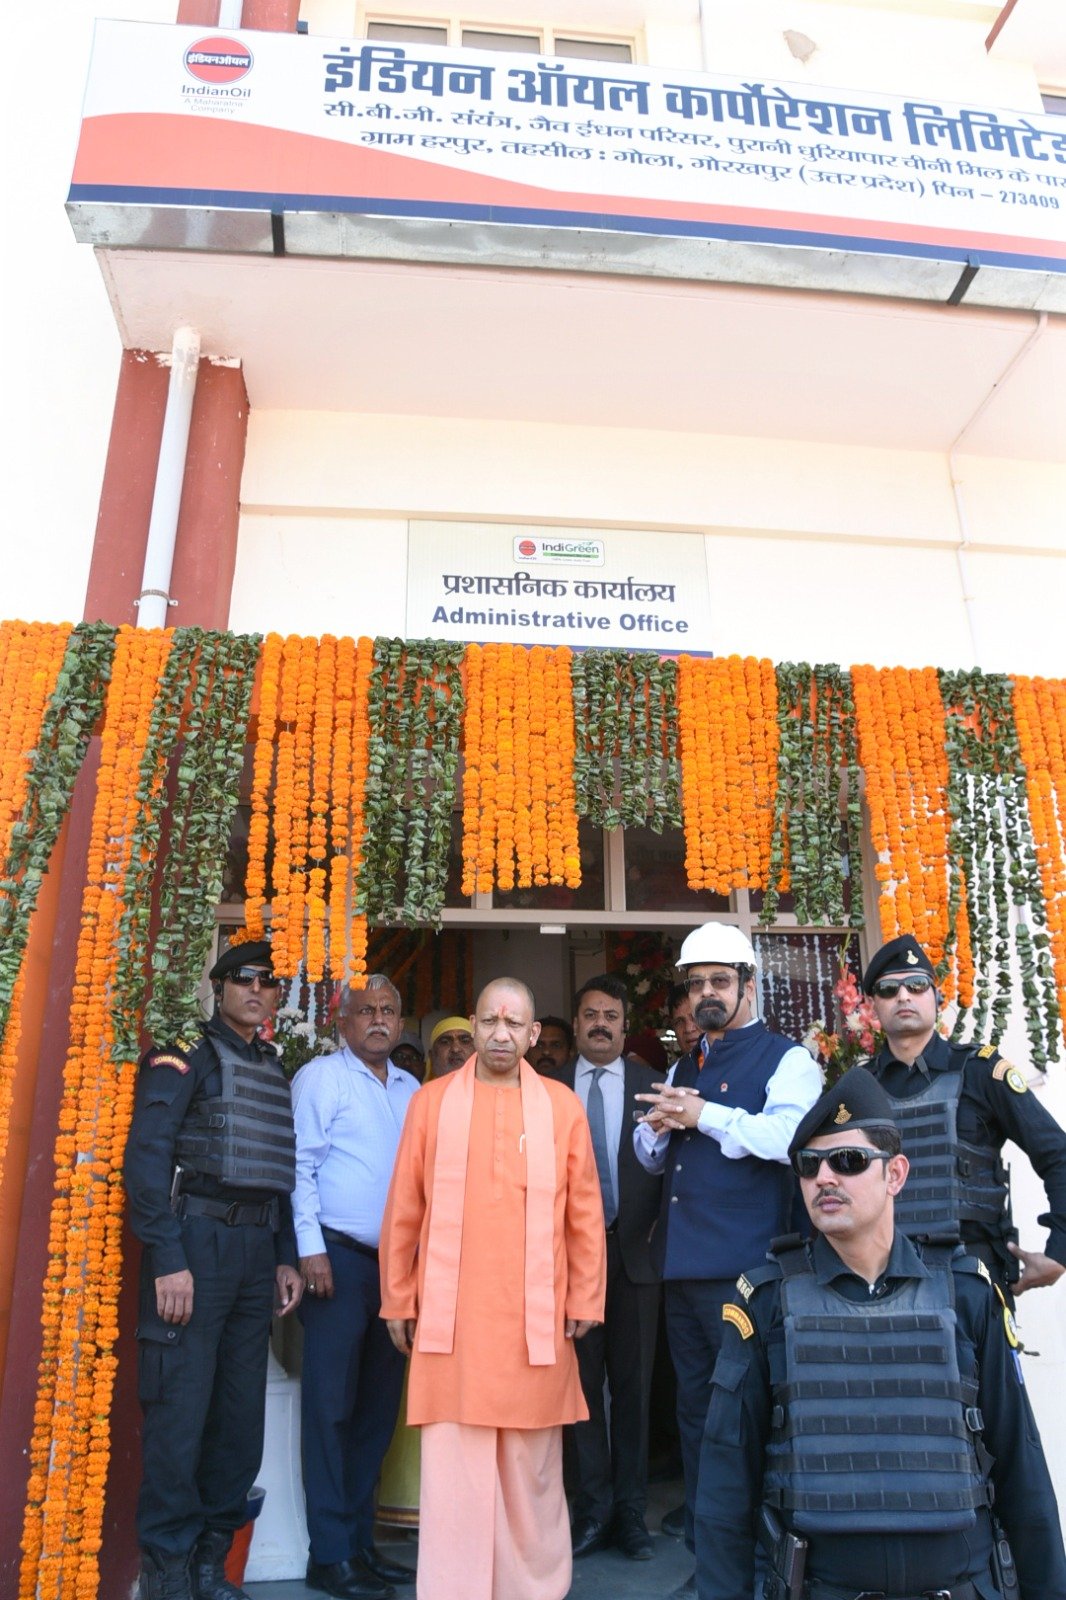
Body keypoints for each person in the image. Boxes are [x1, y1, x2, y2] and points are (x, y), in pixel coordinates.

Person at [696, 1065, 1066, 1600]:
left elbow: (1021, 1468)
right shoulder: (767, 1302)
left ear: (895, 1175)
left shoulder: (967, 1294)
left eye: (847, 1161)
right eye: (809, 1165)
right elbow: (725, 1487)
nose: (825, 1178)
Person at [379, 977, 606, 1600]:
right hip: (453, 1323)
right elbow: (404, 1208)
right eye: (489, 1021)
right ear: (473, 1028)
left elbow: (584, 1213)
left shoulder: (562, 1107)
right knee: (456, 1473)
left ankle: (532, 1589)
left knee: (531, 1471)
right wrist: (398, 1295)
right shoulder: (430, 1103)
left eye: (513, 1024)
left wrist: (586, 1295)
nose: (500, 1033)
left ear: (533, 1035)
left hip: (535, 1320)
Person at [634, 923, 820, 1598]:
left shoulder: (788, 1059)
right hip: (683, 1270)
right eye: (696, 983)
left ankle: (762, 1569)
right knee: (696, 1420)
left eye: (719, 980)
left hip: (746, 1274)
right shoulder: (686, 1065)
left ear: (748, 983)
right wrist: (656, 1134)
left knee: (746, 1421)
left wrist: (704, 1115)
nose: (706, 993)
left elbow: (791, 1139)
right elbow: (656, 1159)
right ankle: (710, 1565)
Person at [124, 939, 303, 1600]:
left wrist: (284, 1256)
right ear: (220, 986)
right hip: (195, 1247)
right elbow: (146, 1162)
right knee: (180, 1415)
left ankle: (210, 1565)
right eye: (243, 979)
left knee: (237, 1418)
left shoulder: (270, 1066)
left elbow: (276, 1172)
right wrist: (168, 1259)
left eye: (268, 982)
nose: (256, 990)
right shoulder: (184, 1056)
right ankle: (168, 1575)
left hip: (255, 1253)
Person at [292, 975, 418, 1600]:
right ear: (342, 1022)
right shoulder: (321, 1078)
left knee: (375, 1411)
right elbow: (299, 1167)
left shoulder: (412, 1088)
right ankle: (330, 1553)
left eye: (388, 1010)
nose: (378, 1020)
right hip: (336, 1263)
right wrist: (309, 1248)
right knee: (330, 1409)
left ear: (401, 1023)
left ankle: (361, 1545)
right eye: (365, 1010)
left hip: (395, 1270)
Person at [862, 933, 1066, 1299]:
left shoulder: (981, 1072)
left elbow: (1057, 1154)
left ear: (937, 996)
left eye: (916, 985)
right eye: (889, 989)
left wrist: (1060, 1251)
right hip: (883, 1276)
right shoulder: (859, 1087)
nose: (904, 996)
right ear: (872, 1005)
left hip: (973, 1275)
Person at [554, 975, 663, 1563]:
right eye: (591, 1015)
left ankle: (630, 1513)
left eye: (611, 1016)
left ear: (625, 1025)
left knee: (634, 1390)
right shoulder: (547, 1088)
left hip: (635, 1256)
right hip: (571, 1261)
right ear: (576, 1024)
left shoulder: (654, 1088)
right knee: (580, 1390)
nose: (601, 1024)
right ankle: (591, 1510)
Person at [424, 1015, 474, 1079]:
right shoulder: (418, 1086)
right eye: (445, 1042)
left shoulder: (487, 1086)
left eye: (465, 1041)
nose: (455, 1049)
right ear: (432, 1056)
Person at [667, 982, 701, 1059]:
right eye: (679, 1022)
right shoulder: (677, 1067)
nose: (688, 1029)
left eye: (695, 1017)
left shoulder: (729, 1063)